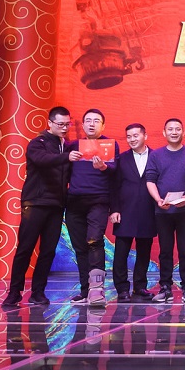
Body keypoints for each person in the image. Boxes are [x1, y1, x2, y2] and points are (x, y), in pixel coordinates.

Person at [3, 107, 83, 308]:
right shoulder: (37, 143)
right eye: (60, 124)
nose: (64, 128)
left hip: (56, 205)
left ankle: (38, 292)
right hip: (35, 203)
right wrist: (66, 157)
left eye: (67, 124)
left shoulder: (66, 147)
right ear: (50, 123)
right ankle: (14, 292)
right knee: (25, 248)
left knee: (48, 251)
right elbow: (42, 160)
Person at [65, 108, 118, 306]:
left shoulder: (109, 145)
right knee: (80, 248)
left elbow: (116, 172)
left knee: (94, 241)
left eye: (96, 121)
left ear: (103, 125)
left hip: (98, 200)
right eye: (88, 120)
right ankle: (85, 291)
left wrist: (104, 167)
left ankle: (97, 290)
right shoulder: (73, 146)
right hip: (74, 202)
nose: (91, 124)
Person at [145, 118, 185, 304]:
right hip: (163, 212)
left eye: (178, 129)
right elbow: (150, 180)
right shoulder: (156, 155)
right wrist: (158, 200)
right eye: (170, 129)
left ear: (183, 132)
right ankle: (165, 287)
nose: (174, 132)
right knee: (165, 251)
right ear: (164, 133)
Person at [110, 123, 157, 301]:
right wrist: (114, 209)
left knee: (144, 252)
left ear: (145, 136)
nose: (132, 139)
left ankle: (140, 286)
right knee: (121, 253)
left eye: (135, 135)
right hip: (125, 211)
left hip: (148, 210)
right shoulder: (121, 159)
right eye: (129, 136)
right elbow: (114, 187)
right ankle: (122, 289)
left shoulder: (156, 156)